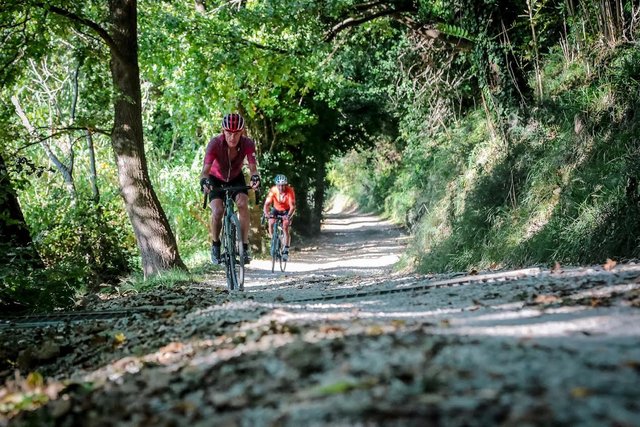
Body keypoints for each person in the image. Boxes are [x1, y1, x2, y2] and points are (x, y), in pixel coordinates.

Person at [200, 113, 260, 265]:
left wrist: (255, 178)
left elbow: (253, 169)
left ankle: (244, 247)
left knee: (242, 204)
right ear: (223, 131)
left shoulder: (247, 143)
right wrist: (204, 182)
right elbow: (205, 171)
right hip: (216, 179)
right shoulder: (214, 144)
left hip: (235, 177)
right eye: (229, 133)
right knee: (218, 211)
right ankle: (215, 245)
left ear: (242, 132)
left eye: (236, 133)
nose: (232, 137)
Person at [263, 174, 296, 261]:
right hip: (276, 209)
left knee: (285, 226)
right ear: (276, 185)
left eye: (283, 185)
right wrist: (266, 213)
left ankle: (285, 250)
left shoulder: (290, 191)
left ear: (285, 185)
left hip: (287, 210)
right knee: (271, 222)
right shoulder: (273, 190)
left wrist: (288, 216)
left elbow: (292, 207)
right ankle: (273, 240)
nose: (281, 187)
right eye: (279, 185)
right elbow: (266, 204)